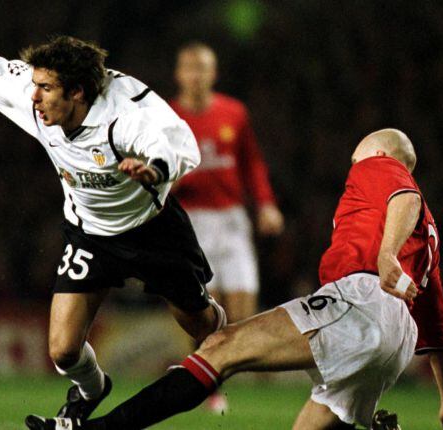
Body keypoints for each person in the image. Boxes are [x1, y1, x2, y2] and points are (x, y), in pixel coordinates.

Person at [25, 129, 443, 430]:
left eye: (357, 152)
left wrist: (383, 256)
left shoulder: (379, 167)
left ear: (378, 153)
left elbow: (405, 198)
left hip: (360, 300)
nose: (352, 160)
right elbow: (439, 332)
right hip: (396, 341)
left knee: (221, 349)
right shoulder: (429, 241)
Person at [0, 0, 227, 423]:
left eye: (46, 89)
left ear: (78, 92)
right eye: (35, 85)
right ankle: (92, 388)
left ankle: (223, 324)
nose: (34, 98)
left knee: (204, 330)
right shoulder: (40, 99)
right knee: (63, 351)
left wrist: (155, 170)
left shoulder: (125, 113)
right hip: (90, 234)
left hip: (152, 229)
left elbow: (173, 144)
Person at [171, 41, 284, 413]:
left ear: (213, 74)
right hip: (192, 220)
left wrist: (265, 203)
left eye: (203, 68)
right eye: (190, 67)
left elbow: (252, 163)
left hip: (232, 218)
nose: (197, 75)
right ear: (179, 74)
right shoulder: (168, 116)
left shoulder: (234, 113)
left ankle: (213, 374)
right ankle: (208, 387)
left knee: (242, 310)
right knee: (205, 310)